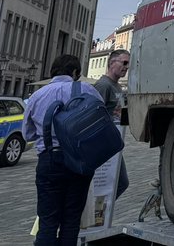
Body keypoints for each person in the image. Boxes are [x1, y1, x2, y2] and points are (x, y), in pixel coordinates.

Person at [23, 53, 106, 245]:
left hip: (49, 159)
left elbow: (27, 135)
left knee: (47, 221)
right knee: (71, 220)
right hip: (79, 159)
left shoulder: (37, 96)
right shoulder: (86, 89)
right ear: (75, 72)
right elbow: (102, 119)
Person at [94, 49, 130, 197]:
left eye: (129, 64)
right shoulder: (103, 85)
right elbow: (95, 114)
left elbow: (122, 112)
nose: (126, 67)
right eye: (124, 63)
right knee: (117, 182)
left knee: (119, 183)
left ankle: (100, 214)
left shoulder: (118, 87)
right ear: (112, 63)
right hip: (103, 142)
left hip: (114, 141)